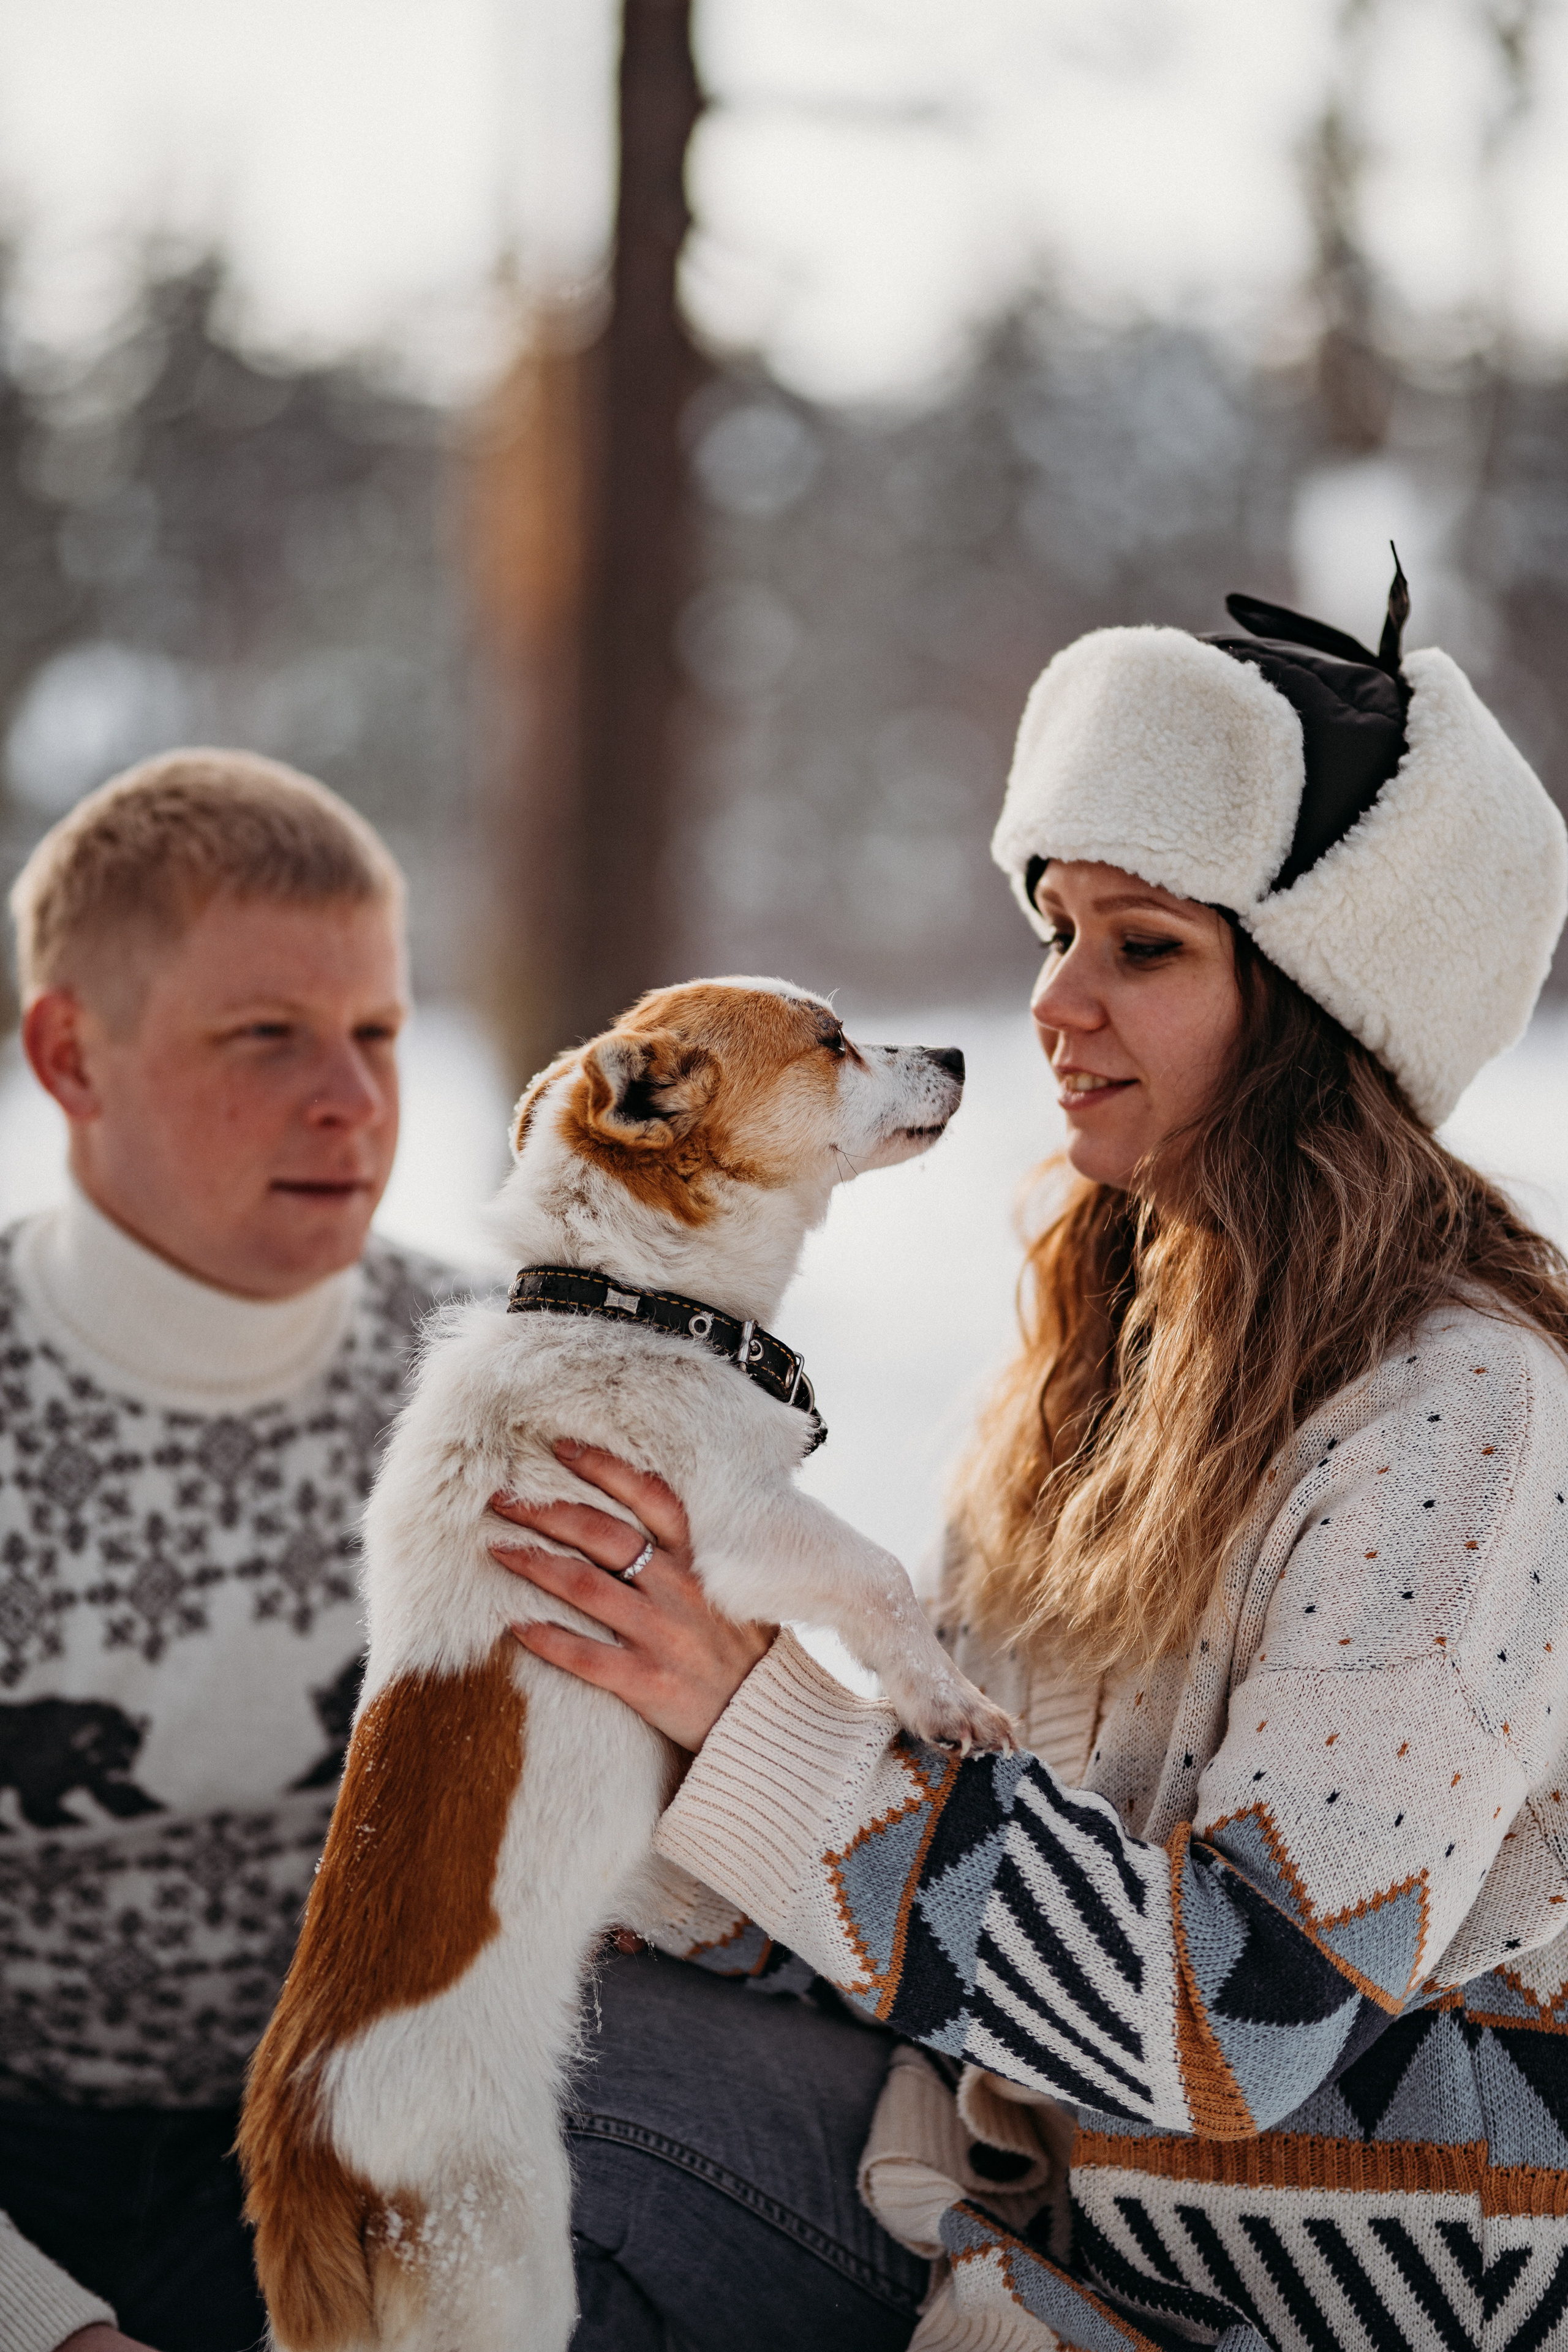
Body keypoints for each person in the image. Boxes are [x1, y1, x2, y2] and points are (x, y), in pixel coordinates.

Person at [494, 575, 1568, 2348]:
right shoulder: (1113, 1352)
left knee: (564, 2141)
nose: (1058, 1002)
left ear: (1323, 1012)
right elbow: (984, 1908)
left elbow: (1255, 2018)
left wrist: (766, 1725)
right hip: (1038, 2181)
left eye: (1142, 946)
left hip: (1332, 2286)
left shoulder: (1468, 1417)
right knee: (486, 2045)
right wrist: (650, 1860)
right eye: (1056, 928)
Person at [0, 751, 459, 2352]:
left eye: (379, 1032)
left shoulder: (488, 1381)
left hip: (361, 2158)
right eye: (265, 1034)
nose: (353, 1099)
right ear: (72, 1052)